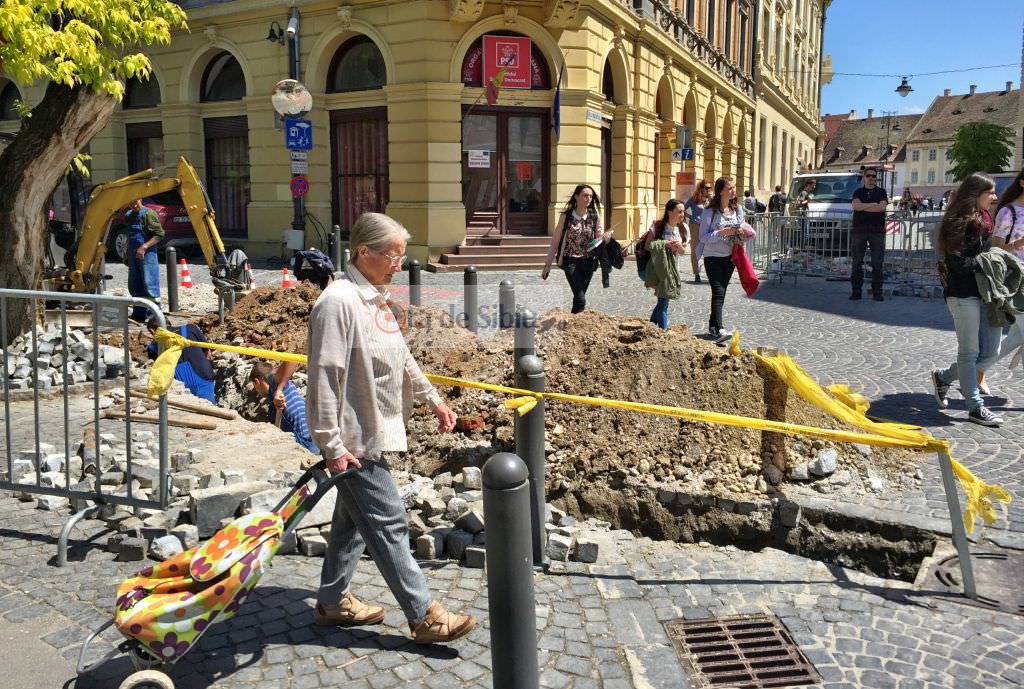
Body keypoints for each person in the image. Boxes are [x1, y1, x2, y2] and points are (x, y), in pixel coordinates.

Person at [306, 212, 476, 644]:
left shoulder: (374, 298)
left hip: (371, 432)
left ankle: (331, 601)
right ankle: (424, 615)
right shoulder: (338, 302)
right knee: (388, 521)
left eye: (402, 256)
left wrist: (433, 398)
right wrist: (331, 445)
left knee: (350, 522)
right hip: (353, 440)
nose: (399, 265)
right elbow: (324, 376)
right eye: (393, 256)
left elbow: (401, 355)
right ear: (363, 252)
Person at [930, 173, 1004, 427]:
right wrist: (988, 264)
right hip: (963, 293)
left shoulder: (985, 218)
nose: (994, 198)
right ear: (976, 194)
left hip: (987, 293)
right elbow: (958, 262)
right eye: (990, 193)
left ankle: (944, 377)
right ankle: (975, 407)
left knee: (991, 351)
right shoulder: (956, 221)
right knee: (970, 352)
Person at [976, 168, 1024, 394]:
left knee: (1014, 339)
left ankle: (969, 372)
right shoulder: (1009, 212)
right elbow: (996, 249)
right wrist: (1019, 243)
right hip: (1015, 281)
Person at [699, 176, 756, 344]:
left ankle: (712, 326)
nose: (733, 190)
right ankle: (719, 329)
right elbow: (703, 237)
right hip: (712, 257)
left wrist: (741, 232)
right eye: (730, 188)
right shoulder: (710, 212)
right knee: (718, 291)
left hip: (731, 256)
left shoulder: (737, 209)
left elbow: (741, 227)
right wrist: (722, 233)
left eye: (733, 187)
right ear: (721, 191)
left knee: (721, 292)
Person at [541, 184, 613, 313]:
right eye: (585, 195)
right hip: (570, 261)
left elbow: (598, 238)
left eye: (591, 196)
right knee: (580, 298)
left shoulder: (594, 216)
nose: (588, 199)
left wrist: (605, 237)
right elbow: (555, 241)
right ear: (576, 197)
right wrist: (547, 265)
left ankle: (572, 326)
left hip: (589, 261)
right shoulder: (566, 216)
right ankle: (574, 325)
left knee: (579, 297)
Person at [249, 361, 318, 455]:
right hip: (312, 440)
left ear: (257, 382)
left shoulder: (273, 382)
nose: (256, 391)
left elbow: (292, 360)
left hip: (306, 444)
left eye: (254, 387)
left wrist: (279, 390)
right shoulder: (273, 393)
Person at [145, 320, 216, 404]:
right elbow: (207, 352)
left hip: (179, 384)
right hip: (203, 376)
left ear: (151, 331)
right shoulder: (190, 328)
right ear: (170, 324)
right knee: (210, 410)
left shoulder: (153, 346)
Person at [640, 199, 685, 329]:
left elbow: (682, 252)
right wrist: (664, 244)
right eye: (680, 211)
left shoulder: (682, 228)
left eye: (683, 211)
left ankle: (651, 326)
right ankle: (663, 331)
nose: (682, 214)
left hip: (672, 270)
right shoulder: (658, 227)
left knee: (662, 300)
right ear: (670, 212)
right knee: (664, 301)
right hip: (657, 269)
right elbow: (648, 246)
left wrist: (679, 246)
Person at [849, 166, 890, 301]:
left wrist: (864, 206)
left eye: (873, 176)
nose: (871, 178)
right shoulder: (858, 192)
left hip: (877, 232)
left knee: (877, 263)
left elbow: (881, 208)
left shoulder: (881, 192)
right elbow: (855, 206)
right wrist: (873, 204)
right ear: (864, 177)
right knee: (856, 263)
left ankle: (877, 292)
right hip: (859, 231)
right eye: (869, 176)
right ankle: (856, 291)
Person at [125, 198, 163, 322]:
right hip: (133, 255)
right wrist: (127, 254)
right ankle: (139, 313)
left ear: (140, 199)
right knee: (134, 284)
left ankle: (154, 315)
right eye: (131, 203)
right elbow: (129, 236)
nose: (134, 205)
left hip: (147, 255)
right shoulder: (129, 215)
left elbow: (159, 234)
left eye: (135, 202)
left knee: (150, 284)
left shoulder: (149, 214)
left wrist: (145, 246)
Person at [684, 180, 712, 282]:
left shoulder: (711, 200)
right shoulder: (694, 199)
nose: (709, 190)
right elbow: (683, 208)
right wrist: (691, 217)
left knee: (709, 250)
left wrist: (711, 199)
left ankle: (710, 273)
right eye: (706, 188)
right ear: (701, 188)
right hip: (695, 226)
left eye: (710, 188)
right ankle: (697, 274)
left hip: (708, 228)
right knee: (695, 251)